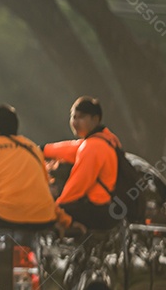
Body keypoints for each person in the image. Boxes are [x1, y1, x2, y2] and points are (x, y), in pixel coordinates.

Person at [0, 104, 69, 231]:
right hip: (44, 218)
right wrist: (65, 220)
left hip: (7, 217)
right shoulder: (32, 147)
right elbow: (45, 187)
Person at [43, 96, 121, 231]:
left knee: (48, 213)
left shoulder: (92, 147)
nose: (75, 122)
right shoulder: (107, 139)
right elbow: (69, 148)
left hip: (97, 208)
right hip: (109, 208)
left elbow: (78, 185)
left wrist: (57, 208)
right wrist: (42, 149)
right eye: (74, 117)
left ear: (95, 119)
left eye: (81, 117)